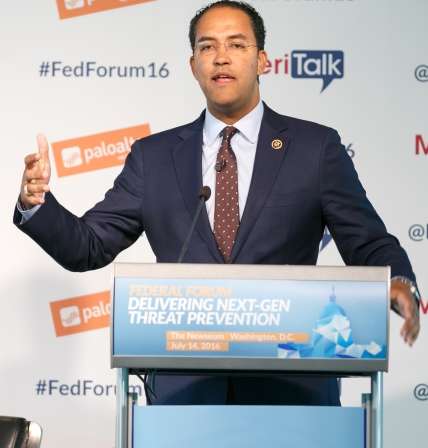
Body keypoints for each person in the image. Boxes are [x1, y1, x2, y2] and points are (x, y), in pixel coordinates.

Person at [15, 1, 420, 405]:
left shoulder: (315, 148)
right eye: (207, 47)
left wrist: (400, 282)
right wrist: (37, 203)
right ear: (193, 66)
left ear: (262, 61)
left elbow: (367, 241)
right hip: (184, 392)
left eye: (237, 45)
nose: (221, 57)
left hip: (291, 390)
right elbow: (88, 247)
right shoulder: (154, 157)